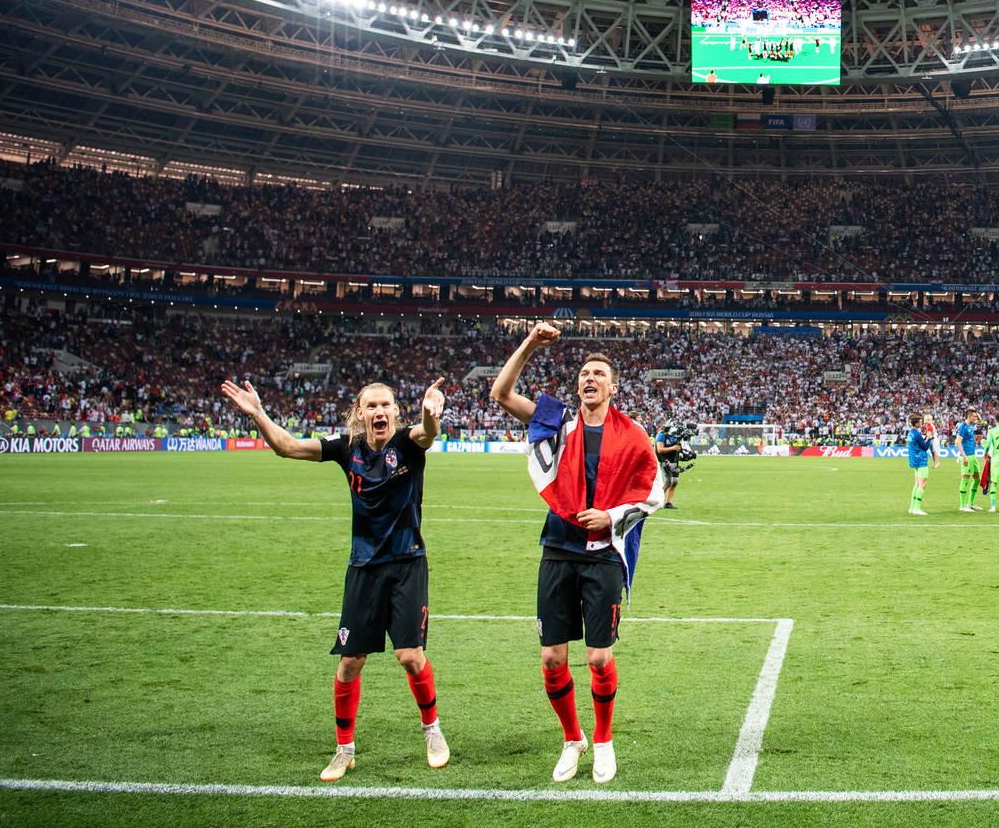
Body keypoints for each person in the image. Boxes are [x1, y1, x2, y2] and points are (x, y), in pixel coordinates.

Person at [220, 375, 450, 782]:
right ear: (360, 414)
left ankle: (432, 730)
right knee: (349, 663)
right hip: (363, 567)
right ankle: (344, 749)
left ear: (396, 412)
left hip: (407, 562)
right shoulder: (348, 449)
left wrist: (431, 416)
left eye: (386, 405)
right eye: (371, 406)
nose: (379, 412)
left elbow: (428, 433)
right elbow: (287, 447)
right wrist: (258, 414)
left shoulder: (409, 445)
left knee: (410, 657)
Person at [489, 321, 665, 785]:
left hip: (604, 553)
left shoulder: (631, 434)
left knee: (598, 658)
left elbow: (653, 492)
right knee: (551, 657)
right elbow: (502, 395)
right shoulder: (558, 421)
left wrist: (611, 518)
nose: (590, 378)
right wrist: (529, 343)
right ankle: (573, 738)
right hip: (558, 548)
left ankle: (604, 741)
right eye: (584, 373)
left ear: (613, 387)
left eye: (599, 374)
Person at [905, 412, 933, 516]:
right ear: (916, 423)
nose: (922, 423)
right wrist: (929, 437)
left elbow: (920, 444)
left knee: (916, 484)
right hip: (921, 460)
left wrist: (926, 438)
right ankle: (917, 508)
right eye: (920, 422)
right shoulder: (916, 434)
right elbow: (925, 447)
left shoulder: (911, 433)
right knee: (922, 484)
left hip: (914, 460)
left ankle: (912, 508)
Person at [958, 426, 983, 512]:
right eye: (974, 416)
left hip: (973, 456)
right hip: (967, 456)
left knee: (977, 479)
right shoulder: (963, 427)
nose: (976, 418)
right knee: (965, 479)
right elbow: (957, 442)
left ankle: (970, 504)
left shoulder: (971, 427)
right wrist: (964, 457)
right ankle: (962, 505)